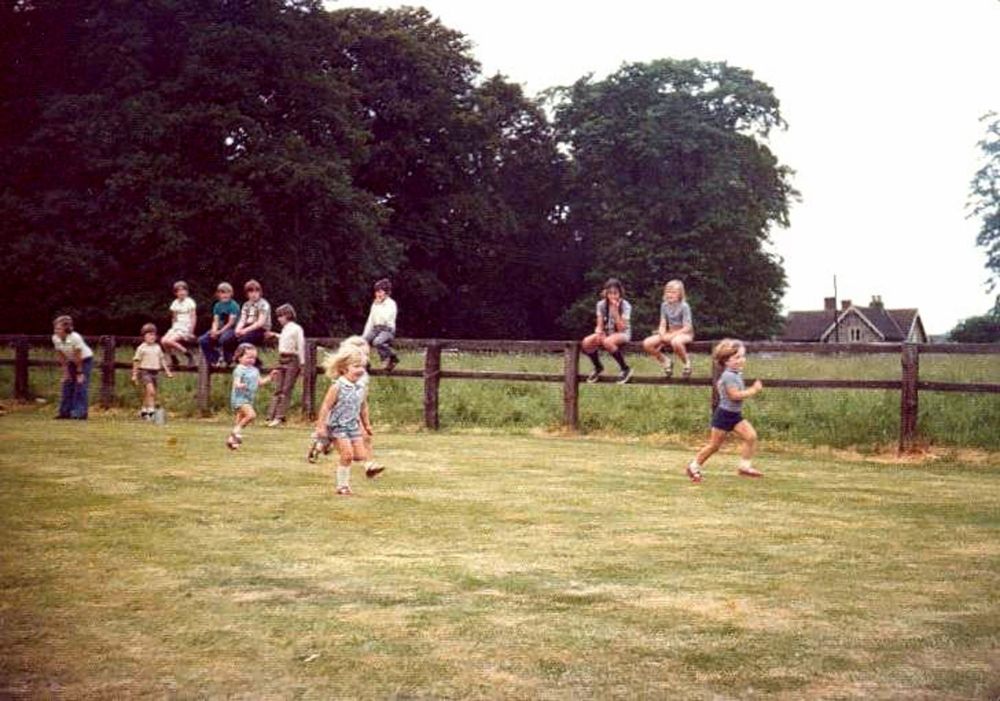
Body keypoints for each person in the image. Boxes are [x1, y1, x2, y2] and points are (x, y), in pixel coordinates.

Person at [685, 339, 764, 483]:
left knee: (751, 437)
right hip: (724, 416)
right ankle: (693, 466)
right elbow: (734, 396)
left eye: (742, 356)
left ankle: (744, 467)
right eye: (736, 358)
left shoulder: (736, 373)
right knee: (714, 446)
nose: (741, 360)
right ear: (726, 361)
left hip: (734, 415)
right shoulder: (728, 376)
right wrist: (753, 390)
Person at [308, 346, 378, 495]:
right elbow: (326, 406)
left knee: (360, 456)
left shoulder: (361, 387)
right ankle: (342, 486)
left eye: (363, 367)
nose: (361, 370)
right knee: (347, 455)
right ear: (344, 368)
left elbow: (363, 406)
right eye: (356, 366)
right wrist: (321, 426)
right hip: (337, 426)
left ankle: (324, 444)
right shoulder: (337, 386)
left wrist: (366, 424)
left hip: (353, 426)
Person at [336, 335, 385, 478]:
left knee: (365, 437)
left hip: (355, 413)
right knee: (332, 438)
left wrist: (367, 422)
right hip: (341, 414)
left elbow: (363, 401)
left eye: (366, 355)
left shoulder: (363, 376)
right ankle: (319, 445)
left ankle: (369, 465)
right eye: (362, 355)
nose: (365, 359)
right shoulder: (344, 377)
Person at [581, 278, 633, 384]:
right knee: (586, 342)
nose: (613, 296)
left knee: (608, 342)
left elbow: (621, 328)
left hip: (622, 333)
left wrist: (615, 311)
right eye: (610, 293)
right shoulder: (601, 305)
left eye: (615, 293)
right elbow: (599, 325)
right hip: (607, 332)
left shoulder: (626, 305)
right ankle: (598, 367)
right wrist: (599, 332)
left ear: (620, 293)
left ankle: (625, 368)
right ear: (605, 293)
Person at [226, 343, 275, 450]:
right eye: (248, 357)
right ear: (239, 357)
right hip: (240, 398)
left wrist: (270, 377)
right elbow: (236, 382)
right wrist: (240, 385)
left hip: (249, 398)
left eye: (253, 358)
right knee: (251, 415)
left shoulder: (255, 370)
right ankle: (235, 432)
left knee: (240, 420)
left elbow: (260, 382)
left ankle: (232, 441)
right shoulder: (239, 369)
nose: (251, 360)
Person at [642, 280, 695, 378]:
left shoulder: (684, 306)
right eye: (668, 292)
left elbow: (687, 327)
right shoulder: (664, 305)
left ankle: (687, 363)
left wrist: (671, 336)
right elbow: (663, 322)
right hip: (669, 332)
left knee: (676, 342)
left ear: (680, 294)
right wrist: (662, 334)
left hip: (684, 333)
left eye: (673, 292)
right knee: (647, 343)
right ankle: (666, 361)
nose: (670, 295)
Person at [264, 303, 305, 427]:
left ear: (287, 315)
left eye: (280, 316)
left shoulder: (297, 328)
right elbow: (285, 338)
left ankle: (279, 417)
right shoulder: (285, 329)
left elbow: (300, 346)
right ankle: (270, 416)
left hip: (292, 359)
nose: (279, 319)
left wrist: (302, 363)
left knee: (286, 389)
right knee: (278, 388)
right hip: (282, 359)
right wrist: (276, 335)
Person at [51, 315, 93, 419]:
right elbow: (61, 355)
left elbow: (78, 356)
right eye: (55, 328)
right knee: (67, 384)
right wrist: (65, 372)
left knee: (80, 385)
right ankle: (64, 412)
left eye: (59, 328)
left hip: (84, 360)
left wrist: (80, 373)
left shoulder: (75, 338)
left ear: (66, 328)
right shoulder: (55, 338)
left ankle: (80, 413)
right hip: (70, 360)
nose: (56, 330)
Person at [223, 279, 271, 364]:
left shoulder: (264, 304)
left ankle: (255, 362)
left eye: (256, 291)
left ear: (260, 292)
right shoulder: (246, 305)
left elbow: (260, 322)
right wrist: (238, 329)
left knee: (244, 339)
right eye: (251, 292)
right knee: (226, 338)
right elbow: (243, 319)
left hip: (259, 329)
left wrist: (245, 331)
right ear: (247, 294)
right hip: (247, 327)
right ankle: (232, 359)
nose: (254, 294)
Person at [131, 323, 173, 420]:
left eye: (153, 335)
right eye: (149, 335)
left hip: (155, 372)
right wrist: (134, 374)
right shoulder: (141, 348)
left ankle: (144, 411)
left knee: (148, 393)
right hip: (145, 371)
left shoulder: (157, 347)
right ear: (144, 336)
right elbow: (136, 361)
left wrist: (167, 371)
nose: (152, 337)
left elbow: (162, 359)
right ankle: (151, 413)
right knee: (151, 391)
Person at [199, 282, 240, 367]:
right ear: (218, 294)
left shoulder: (234, 305)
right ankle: (215, 359)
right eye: (222, 292)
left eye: (227, 292)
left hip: (231, 329)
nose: (225, 295)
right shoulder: (217, 305)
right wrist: (214, 330)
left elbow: (231, 322)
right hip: (219, 329)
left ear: (231, 293)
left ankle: (229, 359)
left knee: (224, 339)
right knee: (202, 340)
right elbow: (215, 320)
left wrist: (219, 332)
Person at [361, 278, 399, 372]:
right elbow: (371, 320)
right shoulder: (375, 304)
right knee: (362, 342)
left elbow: (385, 319)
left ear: (386, 293)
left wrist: (379, 305)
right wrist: (364, 334)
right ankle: (365, 362)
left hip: (387, 329)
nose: (378, 294)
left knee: (378, 342)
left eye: (380, 292)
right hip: (376, 329)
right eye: (376, 292)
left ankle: (389, 358)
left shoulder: (391, 304)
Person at [161, 281, 197, 367]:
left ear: (187, 292)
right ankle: (173, 358)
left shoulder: (190, 302)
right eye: (179, 291)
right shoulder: (175, 303)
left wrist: (191, 332)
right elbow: (174, 318)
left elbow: (193, 317)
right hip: (177, 326)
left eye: (183, 290)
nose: (181, 292)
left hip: (185, 327)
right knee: (163, 341)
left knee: (169, 341)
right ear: (175, 293)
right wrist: (173, 329)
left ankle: (188, 355)